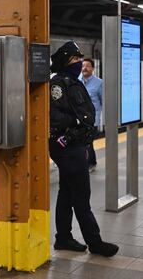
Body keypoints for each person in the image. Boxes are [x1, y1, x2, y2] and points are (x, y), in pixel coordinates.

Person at [49, 41, 119, 257]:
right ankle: (95, 242)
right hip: (67, 146)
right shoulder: (58, 85)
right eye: (75, 59)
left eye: (80, 59)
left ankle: (63, 237)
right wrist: (76, 124)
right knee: (81, 195)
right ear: (65, 62)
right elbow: (55, 117)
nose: (79, 63)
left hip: (76, 145)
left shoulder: (71, 82)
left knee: (67, 192)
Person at [79, 58, 103, 172]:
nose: (85, 68)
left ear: (93, 68)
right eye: (83, 66)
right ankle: (85, 163)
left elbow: (103, 101)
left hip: (93, 119)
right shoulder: (76, 81)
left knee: (88, 142)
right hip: (79, 118)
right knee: (81, 142)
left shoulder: (99, 83)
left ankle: (91, 164)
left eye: (88, 66)